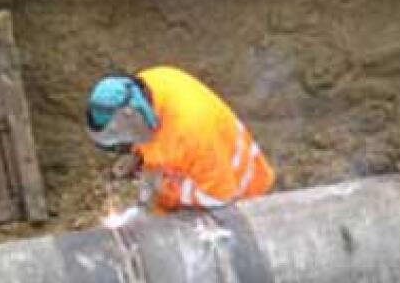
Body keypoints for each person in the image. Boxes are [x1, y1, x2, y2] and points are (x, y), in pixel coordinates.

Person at [86, 66, 276, 217]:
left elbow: (219, 197)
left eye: (126, 143)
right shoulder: (147, 86)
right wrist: (138, 157)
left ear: (132, 116)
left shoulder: (192, 131)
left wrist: (163, 188)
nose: (128, 146)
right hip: (195, 168)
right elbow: (154, 138)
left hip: (238, 197)